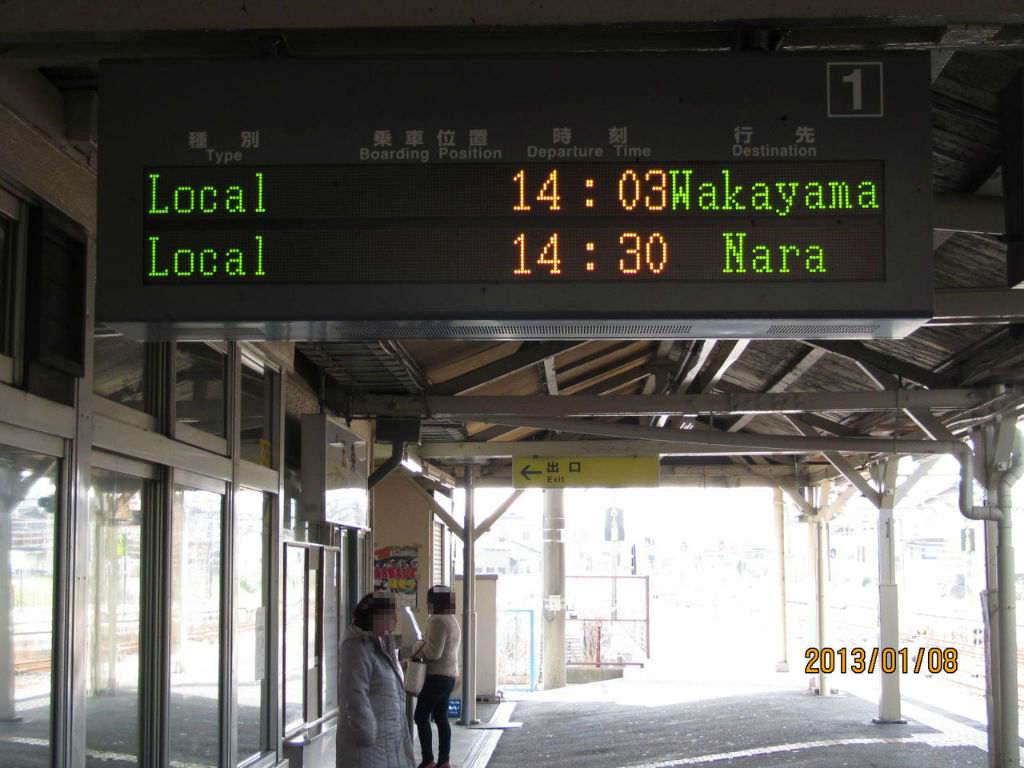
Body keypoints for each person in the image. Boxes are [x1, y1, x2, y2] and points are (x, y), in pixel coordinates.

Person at [338, 592, 416, 768]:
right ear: (376, 616)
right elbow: (354, 693)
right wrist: (367, 731)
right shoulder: (356, 647)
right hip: (368, 747)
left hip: (389, 741)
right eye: (391, 614)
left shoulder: (383, 644)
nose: (396, 620)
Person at [411, 586, 461, 768]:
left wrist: (417, 646)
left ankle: (428, 760)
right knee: (441, 717)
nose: (426, 604)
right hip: (449, 676)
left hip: (436, 676)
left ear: (434, 602)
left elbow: (433, 652)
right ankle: (444, 761)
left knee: (421, 716)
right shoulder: (452, 620)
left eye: (428, 601)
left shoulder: (437, 620)